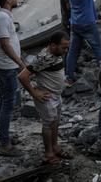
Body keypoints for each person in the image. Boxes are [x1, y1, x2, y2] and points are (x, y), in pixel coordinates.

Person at [18, 32, 72, 164]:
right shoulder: (43, 58)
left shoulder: (56, 54)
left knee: (55, 122)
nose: (66, 51)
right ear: (53, 45)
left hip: (56, 95)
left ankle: (55, 147)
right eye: (63, 48)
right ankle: (48, 153)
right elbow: (22, 76)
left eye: (67, 48)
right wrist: (34, 93)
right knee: (48, 124)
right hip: (47, 97)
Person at [0, 0, 26, 157]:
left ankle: (4, 137)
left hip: (6, 66)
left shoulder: (4, 16)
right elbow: (5, 44)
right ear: (7, 1)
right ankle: (5, 144)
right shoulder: (3, 18)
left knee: (6, 102)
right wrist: (19, 63)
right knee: (8, 104)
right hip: (6, 67)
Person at [65, 0, 101, 85]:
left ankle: (69, 77)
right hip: (87, 23)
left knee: (73, 51)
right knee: (98, 48)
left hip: (75, 23)